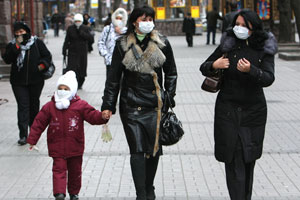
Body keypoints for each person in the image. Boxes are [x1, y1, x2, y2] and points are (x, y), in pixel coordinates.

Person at [101, 5, 177, 200]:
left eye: (150, 19)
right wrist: (108, 105)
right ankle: (141, 194)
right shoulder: (122, 44)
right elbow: (113, 78)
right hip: (131, 106)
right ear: (134, 21)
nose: (147, 23)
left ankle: (149, 186)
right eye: (143, 19)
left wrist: (169, 95)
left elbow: (171, 72)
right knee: (137, 150)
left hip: (154, 106)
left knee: (154, 150)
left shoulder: (162, 43)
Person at [200, 9, 277, 200]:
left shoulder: (263, 47)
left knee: (248, 160)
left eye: (244, 25)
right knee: (233, 161)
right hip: (228, 112)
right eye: (237, 24)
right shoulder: (229, 44)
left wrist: (252, 70)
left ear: (253, 26)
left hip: (253, 113)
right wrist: (214, 65)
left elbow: (268, 78)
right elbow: (204, 66)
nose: (239, 28)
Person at [27, 71, 108, 200]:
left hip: (75, 146)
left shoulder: (80, 106)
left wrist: (102, 117)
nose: (62, 91)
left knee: (75, 171)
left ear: (72, 90)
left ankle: (74, 193)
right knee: (58, 171)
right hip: (56, 147)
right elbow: (39, 123)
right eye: (60, 88)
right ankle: (59, 193)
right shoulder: (50, 107)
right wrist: (32, 139)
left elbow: (92, 116)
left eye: (66, 89)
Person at [1, 21, 52, 145]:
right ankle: (23, 135)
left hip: (36, 81)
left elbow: (47, 56)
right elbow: (7, 59)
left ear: (27, 32)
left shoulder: (36, 43)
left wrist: (40, 66)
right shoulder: (12, 45)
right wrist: (16, 46)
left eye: (22, 32)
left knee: (34, 107)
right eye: (17, 33)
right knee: (23, 107)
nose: (19, 35)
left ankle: (33, 133)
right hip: (18, 82)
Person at [62, 13, 94, 89]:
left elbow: (91, 39)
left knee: (82, 68)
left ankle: (80, 82)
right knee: (72, 68)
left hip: (82, 52)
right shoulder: (70, 28)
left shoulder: (85, 28)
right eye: (76, 21)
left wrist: (82, 33)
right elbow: (67, 40)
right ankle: (73, 83)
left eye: (79, 21)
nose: (77, 22)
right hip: (72, 52)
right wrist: (64, 50)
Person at [98, 7, 128, 78]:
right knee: (111, 82)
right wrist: (106, 55)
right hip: (110, 61)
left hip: (123, 62)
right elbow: (101, 42)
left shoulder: (126, 31)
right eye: (117, 18)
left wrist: (121, 33)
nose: (118, 20)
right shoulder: (107, 29)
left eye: (120, 19)